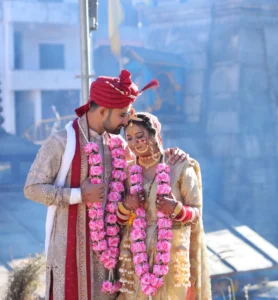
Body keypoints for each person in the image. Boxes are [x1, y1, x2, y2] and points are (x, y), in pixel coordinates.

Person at [24, 70, 188, 300]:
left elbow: (144, 165)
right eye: (122, 115)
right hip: (69, 251)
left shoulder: (120, 145)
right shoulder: (60, 142)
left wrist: (170, 154)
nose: (125, 122)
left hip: (110, 257)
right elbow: (32, 188)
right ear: (102, 110)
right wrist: (79, 195)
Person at [116, 112, 211, 300]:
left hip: (172, 253)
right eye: (129, 138)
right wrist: (127, 205)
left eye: (140, 136)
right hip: (135, 254)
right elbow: (117, 220)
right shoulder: (126, 172)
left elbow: (197, 212)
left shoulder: (180, 166)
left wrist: (176, 209)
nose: (135, 142)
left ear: (155, 135)